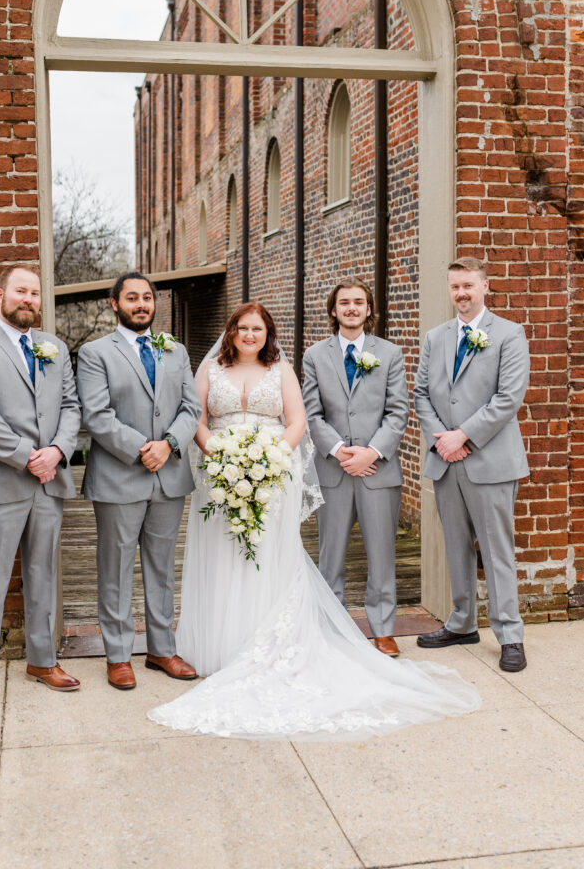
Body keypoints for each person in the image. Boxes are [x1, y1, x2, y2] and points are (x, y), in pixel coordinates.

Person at [148, 302, 480, 740]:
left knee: (268, 556)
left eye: (258, 329)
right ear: (230, 332)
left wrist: (271, 459)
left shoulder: (281, 370)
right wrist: (222, 456)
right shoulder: (208, 370)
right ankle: (222, 645)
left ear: (268, 334)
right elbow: (198, 420)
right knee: (222, 553)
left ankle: (270, 644)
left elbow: (298, 419)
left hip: (271, 474)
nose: (250, 335)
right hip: (221, 475)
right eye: (243, 328)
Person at [0, 265, 82, 714]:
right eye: (20, 291)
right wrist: (29, 454)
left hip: (49, 482)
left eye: (35, 293)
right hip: (1, 480)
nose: (28, 299)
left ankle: (42, 661)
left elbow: (71, 405)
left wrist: (59, 451)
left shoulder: (55, 348)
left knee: (43, 575)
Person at [76, 272, 201, 690]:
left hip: (169, 476)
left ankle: (161, 649)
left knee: (162, 568)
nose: (141, 304)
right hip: (119, 476)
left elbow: (190, 407)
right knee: (115, 567)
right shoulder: (96, 353)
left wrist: (167, 444)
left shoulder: (176, 350)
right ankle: (117, 654)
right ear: (115, 304)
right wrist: (141, 448)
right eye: (132, 298)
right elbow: (96, 414)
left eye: (147, 297)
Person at [414, 257, 530, 672]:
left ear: (485, 286)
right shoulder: (436, 337)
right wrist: (442, 439)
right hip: (447, 460)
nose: (461, 293)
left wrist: (463, 435)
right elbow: (421, 394)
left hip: (491, 461)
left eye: (468, 285)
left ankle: (510, 634)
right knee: (456, 547)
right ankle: (462, 622)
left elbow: (508, 397)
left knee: (497, 550)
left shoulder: (510, 334)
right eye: (455, 287)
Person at [302, 279, 408, 657]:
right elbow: (311, 414)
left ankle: (383, 629)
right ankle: (333, 626)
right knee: (331, 553)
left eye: (358, 302)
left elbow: (398, 413)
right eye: (344, 302)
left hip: (378, 471)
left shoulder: (390, 354)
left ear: (368, 310)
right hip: (333, 470)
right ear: (333, 310)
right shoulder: (315, 355)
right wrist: (341, 451)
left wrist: (371, 453)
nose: (351, 308)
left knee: (382, 553)